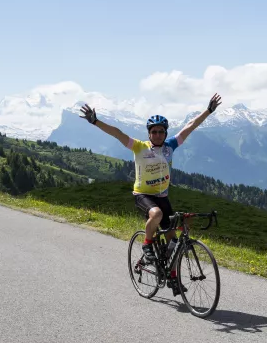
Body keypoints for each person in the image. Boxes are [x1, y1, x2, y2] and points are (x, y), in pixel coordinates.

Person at [79, 93, 222, 296]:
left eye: (160, 132)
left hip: (163, 197)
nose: (157, 135)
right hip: (142, 195)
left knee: (173, 242)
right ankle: (147, 245)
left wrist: (208, 111)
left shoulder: (170, 146)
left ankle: (172, 278)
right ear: (149, 133)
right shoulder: (139, 147)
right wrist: (95, 121)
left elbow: (190, 126)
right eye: (154, 132)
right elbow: (117, 133)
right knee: (156, 215)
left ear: (165, 133)